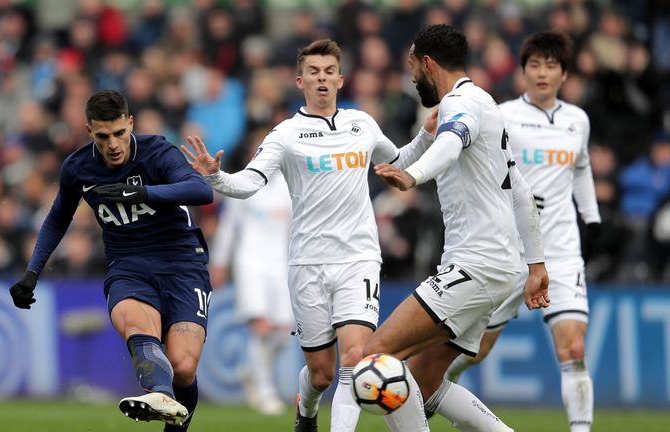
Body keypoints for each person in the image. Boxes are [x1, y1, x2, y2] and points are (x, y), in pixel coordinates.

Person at [181, 39, 437, 432]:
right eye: (314, 72)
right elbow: (250, 183)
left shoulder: (362, 124)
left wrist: (425, 135)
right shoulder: (286, 134)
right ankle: (307, 409)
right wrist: (216, 176)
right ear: (300, 81)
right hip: (308, 263)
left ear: (340, 78)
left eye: (329, 71)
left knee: (355, 356)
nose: (322, 78)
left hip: (359, 258)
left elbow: (397, 161)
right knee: (320, 374)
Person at [364, 24, 550, 432]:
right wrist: (535, 265)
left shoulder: (460, 105)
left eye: (413, 68)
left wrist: (412, 177)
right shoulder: (485, 104)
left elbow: (450, 144)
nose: (413, 78)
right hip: (498, 266)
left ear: (428, 64)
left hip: (476, 266)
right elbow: (519, 191)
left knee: (376, 355)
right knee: (426, 384)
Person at [8, 90, 214, 431]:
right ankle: (159, 394)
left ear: (130, 123)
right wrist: (32, 272)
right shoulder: (78, 167)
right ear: (90, 131)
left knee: (183, 367)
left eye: (120, 133)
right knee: (138, 328)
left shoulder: (158, 152)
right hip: (128, 265)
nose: (114, 144)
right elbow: (59, 217)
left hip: (182, 262)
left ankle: (169, 405)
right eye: (103, 136)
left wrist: (140, 192)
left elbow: (201, 191)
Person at [445, 31, 600, 432]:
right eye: (535, 64)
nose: (542, 72)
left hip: (562, 249)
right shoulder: (503, 115)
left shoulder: (577, 121)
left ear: (564, 74)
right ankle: (439, 384)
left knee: (575, 348)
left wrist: (592, 216)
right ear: (522, 71)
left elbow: (581, 170)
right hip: (510, 249)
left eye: (551, 65)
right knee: (476, 350)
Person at [209, 135, 294, 416]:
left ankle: (252, 370)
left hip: (281, 265)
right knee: (260, 326)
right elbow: (228, 228)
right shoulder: (242, 183)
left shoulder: (288, 187)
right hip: (250, 264)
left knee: (283, 333)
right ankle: (265, 391)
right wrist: (219, 263)